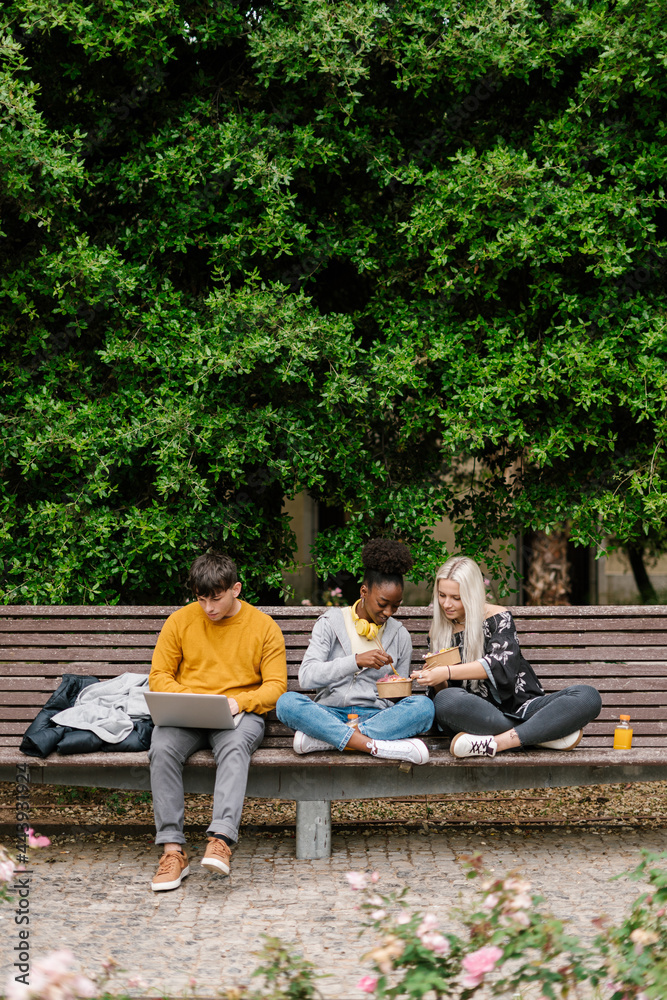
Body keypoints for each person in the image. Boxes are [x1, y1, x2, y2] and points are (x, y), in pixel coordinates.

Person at [148, 551, 287, 891]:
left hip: (240, 713)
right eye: (201, 598)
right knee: (162, 747)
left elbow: (276, 687)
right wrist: (191, 699)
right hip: (188, 712)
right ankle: (172, 852)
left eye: (216, 597)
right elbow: (159, 677)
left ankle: (220, 840)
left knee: (236, 747)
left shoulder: (263, 627)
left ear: (236, 589)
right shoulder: (179, 622)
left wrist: (238, 701)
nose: (208, 607)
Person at [411, 556, 601, 758]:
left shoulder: (498, 618)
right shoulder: (438, 632)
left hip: (522, 707)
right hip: (479, 717)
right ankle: (542, 734)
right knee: (445, 700)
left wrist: (446, 671)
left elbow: (499, 665)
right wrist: (436, 677)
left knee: (588, 696)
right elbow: (445, 695)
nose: (446, 604)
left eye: (456, 598)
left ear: (472, 594)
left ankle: (498, 743)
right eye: (442, 595)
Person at [277, 539, 434, 764]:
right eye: (383, 603)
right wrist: (356, 661)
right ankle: (370, 745)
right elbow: (306, 677)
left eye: (396, 606)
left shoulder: (400, 635)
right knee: (286, 702)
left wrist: (405, 683)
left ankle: (329, 739)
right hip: (329, 713)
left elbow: (398, 702)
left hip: (375, 717)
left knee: (425, 707)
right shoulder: (331, 622)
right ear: (364, 591)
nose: (389, 612)